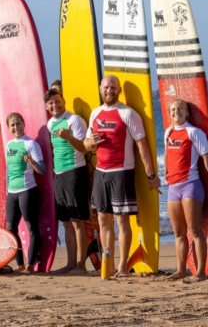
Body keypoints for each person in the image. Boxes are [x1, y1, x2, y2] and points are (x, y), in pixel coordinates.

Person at [83, 75, 160, 277]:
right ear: (100, 89)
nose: (109, 90)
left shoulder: (129, 114)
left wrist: (151, 175)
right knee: (103, 220)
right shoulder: (95, 113)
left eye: (113, 87)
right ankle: (107, 264)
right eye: (106, 87)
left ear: (119, 91)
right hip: (101, 173)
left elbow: (142, 146)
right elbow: (86, 144)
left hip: (122, 173)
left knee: (122, 222)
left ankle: (123, 267)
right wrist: (92, 142)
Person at [163, 99, 208, 281]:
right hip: (173, 187)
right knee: (178, 232)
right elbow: (166, 154)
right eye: (172, 109)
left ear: (186, 113)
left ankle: (201, 272)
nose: (176, 112)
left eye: (180, 109)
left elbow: (206, 159)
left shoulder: (194, 132)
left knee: (194, 230)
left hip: (191, 185)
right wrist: (165, 171)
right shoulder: (168, 132)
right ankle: (180, 270)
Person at [45, 88, 91, 275]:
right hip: (59, 175)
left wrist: (68, 136)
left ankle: (81, 265)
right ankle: (70, 264)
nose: (54, 106)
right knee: (66, 222)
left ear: (63, 101)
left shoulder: (74, 120)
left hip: (75, 172)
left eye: (57, 101)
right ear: (47, 106)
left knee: (77, 221)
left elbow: (84, 148)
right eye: (50, 103)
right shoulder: (50, 124)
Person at [4, 112, 46, 273]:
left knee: (32, 229)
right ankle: (19, 264)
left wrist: (32, 161)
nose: (16, 127)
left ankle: (31, 264)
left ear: (23, 123)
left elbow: (42, 170)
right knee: (10, 228)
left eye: (18, 123)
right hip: (12, 192)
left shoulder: (31, 144)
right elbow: (9, 171)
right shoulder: (9, 145)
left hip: (28, 190)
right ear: (9, 128)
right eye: (12, 125)